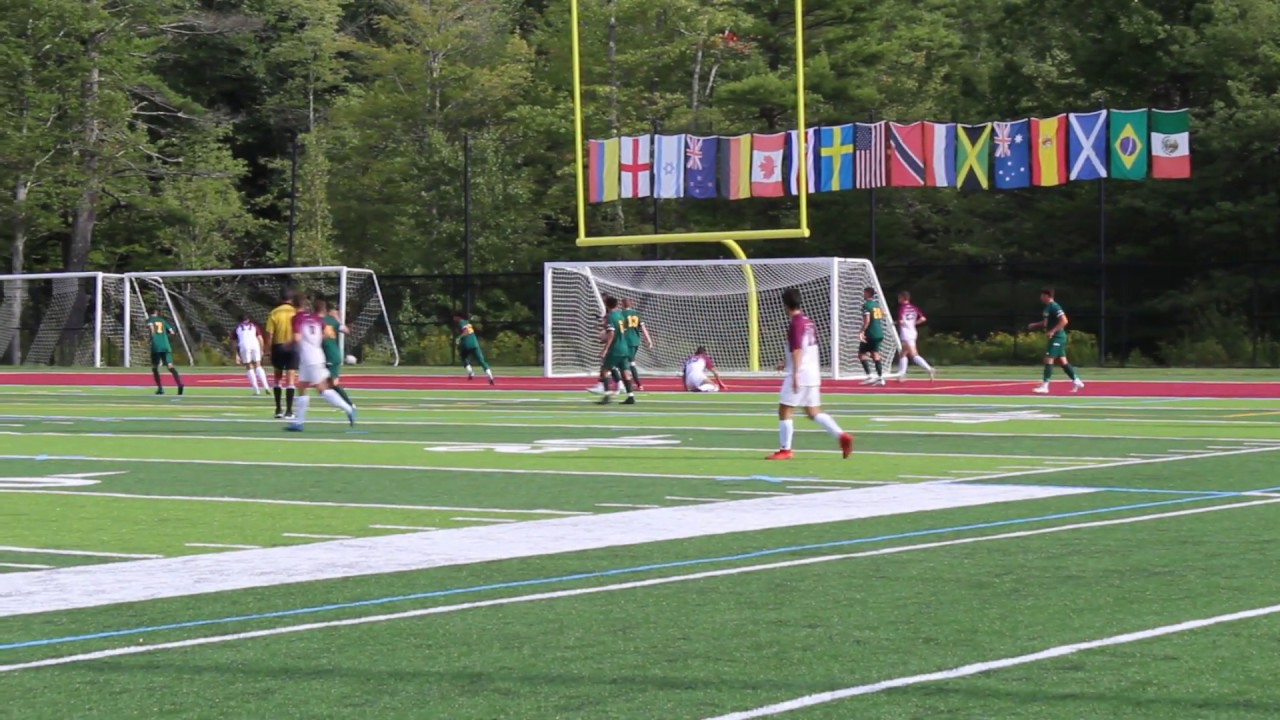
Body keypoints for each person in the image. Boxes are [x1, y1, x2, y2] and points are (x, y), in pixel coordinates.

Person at [767, 287, 853, 460]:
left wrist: (796, 373)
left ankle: (786, 449)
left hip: (801, 373)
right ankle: (841, 435)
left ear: (785, 305)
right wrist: (787, 362)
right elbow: (807, 347)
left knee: (784, 410)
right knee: (813, 412)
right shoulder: (809, 322)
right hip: (813, 373)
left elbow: (798, 349)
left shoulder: (795, 324)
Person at [285, 298, 356, 432]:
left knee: (322, 389)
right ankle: (298, 422)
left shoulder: (297, 318)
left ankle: (348, 408)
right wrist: (315, 342)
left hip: (310, 358)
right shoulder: (315, 319)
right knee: (302, 387)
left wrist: (287, 346)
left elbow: (297, 338)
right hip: (312, 357)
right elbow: (329, 334)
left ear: (293, 305)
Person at [1028, 287, 1085, 394]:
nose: (1040, 297)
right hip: (1056, 337)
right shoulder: (1047, 308)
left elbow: (1064, 320)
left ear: (1047, 296)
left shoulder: (1054, 306)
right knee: (1063, 361)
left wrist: (1053, 331)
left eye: (1042, 295)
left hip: (1058, 337)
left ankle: (1045, 386)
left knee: (1048, 359)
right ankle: (1077, 381)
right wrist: (1034, 325)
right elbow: (1045, 324)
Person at [587, 296, 636, 404]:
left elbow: (611, 333)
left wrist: (605, 349)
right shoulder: (621, 315)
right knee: (625, 372)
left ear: (607, 305)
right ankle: (631, 396)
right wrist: (602, 326)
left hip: (615, 349)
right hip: (624, 347)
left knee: (604, 370)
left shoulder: (610, 316)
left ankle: (607, 395)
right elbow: (624, 329)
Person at [264, 290, 299, 419]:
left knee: (277, 378)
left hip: (278, 346)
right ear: (291, 299)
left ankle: (278, 409)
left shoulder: (274, 312)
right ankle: (289, 411)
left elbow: (269, 333)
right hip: (293, 346)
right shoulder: (296, 312)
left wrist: (267, 350)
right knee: (290, 379)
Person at [316, 299, 356, 408]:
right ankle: (346, 404)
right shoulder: (332, 320)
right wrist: (337, 319)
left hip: (329, 355)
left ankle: (349, 405)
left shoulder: (316, 320)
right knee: (328, 383)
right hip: (334, 353)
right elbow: (346, 330)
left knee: (332, 383)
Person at [893, 291, 936, 382]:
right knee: (903, 353)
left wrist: (895, 323)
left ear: (903, 298)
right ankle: (902, 374)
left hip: (906, 333)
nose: (898, 299)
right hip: (912, 331)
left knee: (913, 354)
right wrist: (913, 324)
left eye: (899, 297)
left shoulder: (902, 308)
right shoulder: (914, 307)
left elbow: (901, 321)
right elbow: (923, 318)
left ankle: (929, 369)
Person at [145, 309, 184, 396]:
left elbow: (151, 329)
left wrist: (151, 339)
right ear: (156, 312)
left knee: (155, 367)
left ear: (148, 313)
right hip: (166, 345)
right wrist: (164, 336)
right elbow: (172, 332)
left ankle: (160, 388)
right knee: (170, 366)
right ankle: (179, 383)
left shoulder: (150, 320)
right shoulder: (163, 320)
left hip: (156, 345)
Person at [620, 298, 654, 390]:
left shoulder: (622, 314)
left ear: (623, 304)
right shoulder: (637, 314)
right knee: (630, 362)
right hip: (635, 341)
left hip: (626, 341)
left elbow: (620, 329)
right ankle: (635, 384)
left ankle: (633, 385)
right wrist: (649, 340)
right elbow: (643, 328)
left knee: (626, 363)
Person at [453, 311, 495, 385]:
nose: (454, 318)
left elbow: (466, 331)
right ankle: (490, 376)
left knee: (463, 356)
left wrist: (459, 337)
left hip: (467, 344)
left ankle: (470, 372)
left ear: (458, 317)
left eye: (455, 316)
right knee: (482, 361)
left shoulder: (461, 322)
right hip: (475, 343)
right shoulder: (467, 322)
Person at [232, 313, 269, 395]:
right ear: (249, 319)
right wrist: (262, 349)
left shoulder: (237, 328)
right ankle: (266, 387)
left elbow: (234, 342)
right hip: (255, 345)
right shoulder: (254, 326)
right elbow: (260, 339)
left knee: (249, 366)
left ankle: (256, 390)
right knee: (258, 365)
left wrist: (236, 354)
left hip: (244, 346)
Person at [858, 287, 887, 386]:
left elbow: (867, 321)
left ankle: (870, 376)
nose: (863, 295)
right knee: (875, 354)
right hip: (879, 333)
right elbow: (884, 314)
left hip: (870, 334)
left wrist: (861, 331)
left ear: (867, 294)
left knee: (861, 354)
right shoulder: (876, 305)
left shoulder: (866, 305)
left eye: (864, 293)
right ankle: (880, 378)